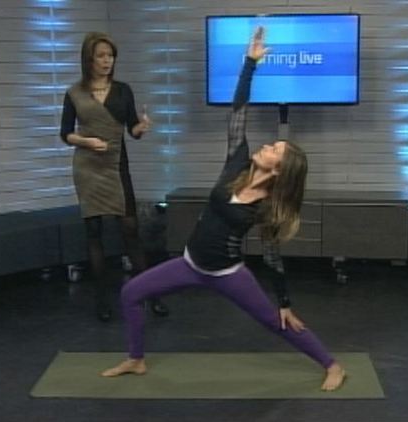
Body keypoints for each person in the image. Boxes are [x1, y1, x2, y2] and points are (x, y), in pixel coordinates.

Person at [101, 27, 346, 391]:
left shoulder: (267, 206)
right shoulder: (238, 161)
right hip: (189, 263)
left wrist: (284, 301)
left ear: (279, 171)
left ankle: (331, 364)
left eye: (274, 150)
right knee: (130, 293)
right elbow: (238, 111)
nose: (266, 146)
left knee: (275, 321)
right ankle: (136, 359)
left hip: (228, 273)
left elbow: (272, 256)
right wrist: (250, 63)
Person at [60, 32, 169, 322]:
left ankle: (151, 295)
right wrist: (86, 141)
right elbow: (65, 133)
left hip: (117, 164)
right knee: (94, 234)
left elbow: (132, 128)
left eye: (110, 56)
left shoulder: (123, 90)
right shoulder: (74, 93)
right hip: (87, 167)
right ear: (89, 59)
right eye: (101, 56)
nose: (107, 61)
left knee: (130, 230)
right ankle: (101, 301)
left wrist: (141, 127)